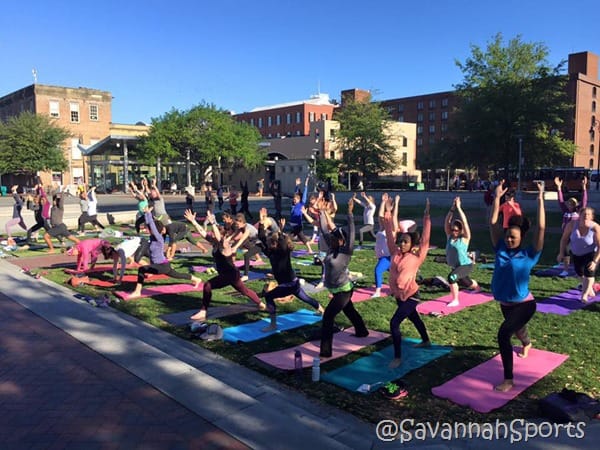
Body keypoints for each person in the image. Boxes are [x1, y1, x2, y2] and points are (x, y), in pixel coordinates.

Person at [489, 180, 545, 392]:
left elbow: (541, 227)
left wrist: (540, 198)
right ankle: (527, 343)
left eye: (513, 237)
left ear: (521, 237)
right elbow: (493, 224)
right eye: (507, 236)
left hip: (524, 304)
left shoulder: (530, 254)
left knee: (504, 334)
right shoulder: (500, 248)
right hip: (506, 303)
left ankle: (508, 380)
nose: (509, 239)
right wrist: (497, 199)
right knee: (518, 330)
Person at [184, 209, 266, 320]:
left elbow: (218, 237)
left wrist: (213, 223)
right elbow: (203, 233)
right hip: (232, 274)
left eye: (215, 233)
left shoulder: (224, 244)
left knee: (207, 285)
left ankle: (203, 311)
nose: (212, 235)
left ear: (222, 235)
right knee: (244, 291)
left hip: (230, 274)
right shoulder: (215, 242)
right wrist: (193, 221)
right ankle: (260, 304)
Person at [257, 208, 324, 332]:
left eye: (269, 241)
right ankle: (321, 310)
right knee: (305, 298)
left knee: (269, 297)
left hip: (289, 284)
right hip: (293, 283)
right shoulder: (271, 251)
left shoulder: (283, 252)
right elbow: (261, 236)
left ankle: (273, 324)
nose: (266, 242)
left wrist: (280, 230)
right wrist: (261, 221)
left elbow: (281, 242)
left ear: (274, 243)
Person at [384, 197, 431, 369]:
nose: (402, 243)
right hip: (399, 296)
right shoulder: (394, 253)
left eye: (406, 241)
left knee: (394, 323)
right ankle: (426, 340)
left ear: (412, 244)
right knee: (414, 318)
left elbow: (425, 240)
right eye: (400, 241)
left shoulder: (417, 257)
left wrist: (426, 217)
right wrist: (388, 211)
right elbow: (389, 233)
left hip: (411, 295)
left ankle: (397, 357)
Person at [319, 198, 369, 358]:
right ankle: (362, 331)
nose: (330, 238)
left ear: (341, 240)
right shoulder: (332, 246)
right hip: (335, 289)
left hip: (344, 290)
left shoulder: (346, 251)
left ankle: (325, 352)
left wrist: (349, 213)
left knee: (328, 316)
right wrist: (322, 212)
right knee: (349, 310)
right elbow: (323, 228)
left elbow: (352, 231)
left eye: (334, 237)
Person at [127, 208, 201, 299]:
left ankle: (137, 292)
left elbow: (152, 226)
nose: (146, 229)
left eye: (148, 228)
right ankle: (197, 279)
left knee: (142, 269)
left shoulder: (159, 238)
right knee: (178, 275)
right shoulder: (153, 237)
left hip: (162, 266)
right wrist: (147, 214)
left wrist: (149, 214)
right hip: (163, 265)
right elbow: (150, 224)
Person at [443, 196, 480, 307]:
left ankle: (455, 300)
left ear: (460, 231)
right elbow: (446, 221)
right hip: (457, 266)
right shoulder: (449, 237)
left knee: (451, 277)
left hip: (466, 265)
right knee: (467, 283)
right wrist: (452, 209)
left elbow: (464, 222)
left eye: (456, 230)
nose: (453, 231)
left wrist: (459, 208)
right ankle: (477, 287)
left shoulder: (464, 239)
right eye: (453, 229)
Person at [558, 206, 600, 302]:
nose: (586, 216)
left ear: (591, 217)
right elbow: (564, 239)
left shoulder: (596, 228)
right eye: (584, 214)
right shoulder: (572, 225)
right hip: (576, 253)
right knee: (579, 272)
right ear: (579, 215)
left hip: (591, 253)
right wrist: (561, 253)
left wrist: (595, 261)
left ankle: (584, 296)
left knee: (589, 273)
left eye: (588, 214)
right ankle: (590, 288)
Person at [554, 176, 588, 277]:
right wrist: (559, 188)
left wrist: (584, 187)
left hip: (576, 235)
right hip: (566, 235)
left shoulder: (578, 211)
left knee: (578, 253)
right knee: (566, 251)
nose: (570, 205)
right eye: (569, 203)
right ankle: (565, 270)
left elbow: (584, 201)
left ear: (575, 204)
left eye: (572, 203)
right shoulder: (565, 211)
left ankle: (580, 270)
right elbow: (560, 201)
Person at [230, 213, 264, 280]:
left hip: (262, 244)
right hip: (255, 243)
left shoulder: (247, 228)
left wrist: (235, 247)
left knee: (247, 255)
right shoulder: (241, 227)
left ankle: (245, 275)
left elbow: (242, 238)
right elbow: (235, 234)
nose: (236, 225)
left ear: (242, 222)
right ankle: (246, 275)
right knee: (247, 253)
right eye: (236, 224)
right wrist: (227, 239)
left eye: (237, 224)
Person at [371, 193, 392, 298]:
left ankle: (378, 291)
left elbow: (384, 217)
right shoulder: (381, 228)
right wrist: (383, 201)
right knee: (394, 273)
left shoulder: (389, 229)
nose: (382, 219)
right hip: (382, 257)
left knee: (378, 270)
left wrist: (390, 208)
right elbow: (379, 216)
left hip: (387, 257)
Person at [289, 176, 313, 254]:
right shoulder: (293, 205)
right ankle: (309, 249)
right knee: (300, 237)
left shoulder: (301, 204)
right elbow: (295, 194)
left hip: (298, 225)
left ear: (299, 200)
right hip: (294, 225)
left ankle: (309, 250)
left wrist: (306, 185)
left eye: (295, 200)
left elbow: (305, 194)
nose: (294, 201)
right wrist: (297, 185)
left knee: (292, 238)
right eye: (294, 200)